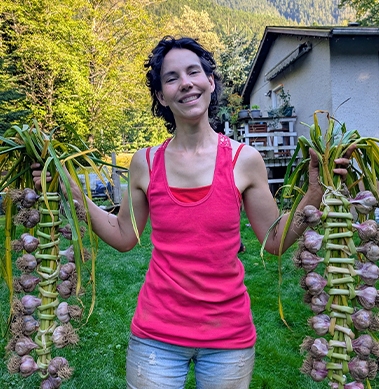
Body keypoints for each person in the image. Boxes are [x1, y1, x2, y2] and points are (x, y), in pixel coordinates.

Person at [32, 36, 352, 389]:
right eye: (171, 78)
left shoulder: (244, 161)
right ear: (161, 97)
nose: (185, 83)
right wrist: (73, 193)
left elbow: (274, 240)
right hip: (156, 335)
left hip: (228, 337)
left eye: (193, 72)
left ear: (210, 82)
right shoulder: (145, 163)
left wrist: (316, 191)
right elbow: (124, 235)